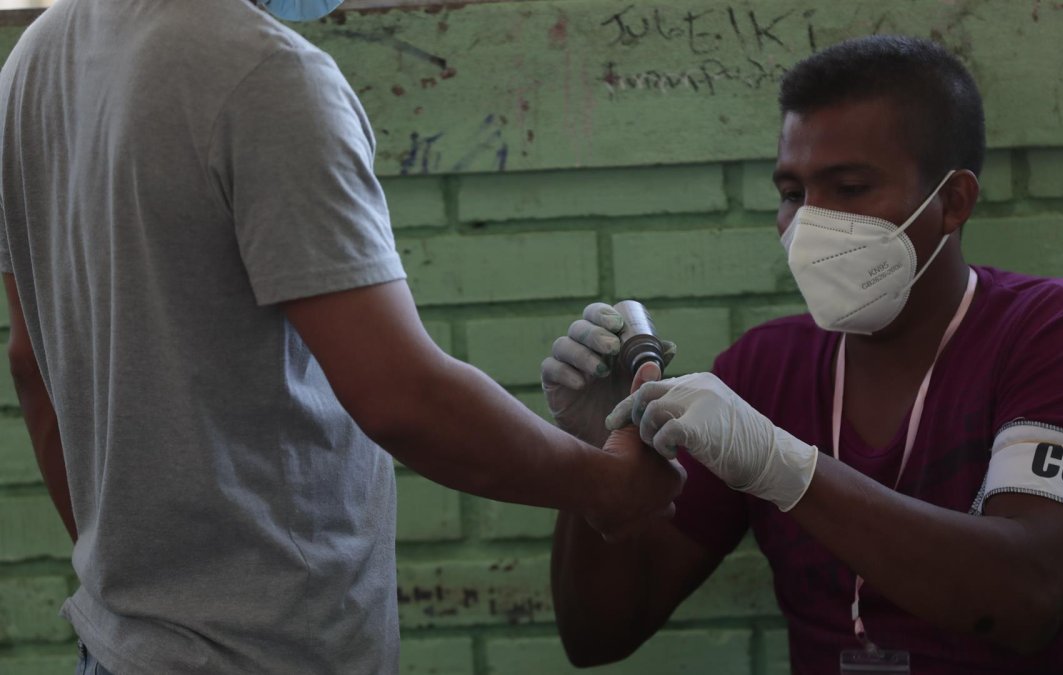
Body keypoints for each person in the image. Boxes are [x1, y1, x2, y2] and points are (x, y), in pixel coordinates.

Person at [0, 1, 684, 673]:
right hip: (264, 653)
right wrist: (607, 481)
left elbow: (31, 366)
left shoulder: (33, 62)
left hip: (119, 647)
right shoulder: (264, 74)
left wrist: (136, 591)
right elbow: (401, 395)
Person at [545, 35, 1063, 674]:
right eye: (791, 192)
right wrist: (595, 460)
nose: (808, 224)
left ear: (953, 202)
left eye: (849, 187)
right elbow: (600, 634)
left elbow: (1029, 597)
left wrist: (782, 467)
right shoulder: (763, 370)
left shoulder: (1060, 334)